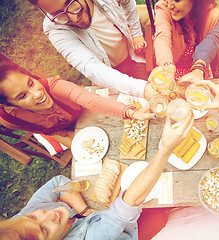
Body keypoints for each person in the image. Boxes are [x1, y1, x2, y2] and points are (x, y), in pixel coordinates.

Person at [0, 111, 195, 240]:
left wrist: (84, 210)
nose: (48, 214)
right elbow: (128, 204)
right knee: (159, 218)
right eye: (44, 231)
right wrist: (165, 150)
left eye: (34, 217)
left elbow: (57, 183)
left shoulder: (22, 222)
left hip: (100, 212)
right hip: (122, 232)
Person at [0, 63, 155, 148]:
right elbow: (43, 130)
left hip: (86, 113)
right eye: (22, 96)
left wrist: (131, 113)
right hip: (65, 132)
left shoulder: (55, 87)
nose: (37, 93)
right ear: (10, 106)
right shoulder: (10, 120)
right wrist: (69, 138)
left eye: (31, 83)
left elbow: (90, 100)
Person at [27, 0, 157, 98]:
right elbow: (91, 67)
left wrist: (136, 33)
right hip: (106, 75)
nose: (73, 18)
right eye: (58, 14)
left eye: (71, 3)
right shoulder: (53, 28)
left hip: (132, 57)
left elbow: (128, 3)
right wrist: (143, 89)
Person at [151, 0, 219, 81]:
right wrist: (167, 64)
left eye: (177, 0)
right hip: (172, 72)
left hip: (198, 71)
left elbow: (209, 45)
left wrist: (199, 69)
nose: (170, 6)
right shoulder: (164, 9)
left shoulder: (210, 14)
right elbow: (162, 37)